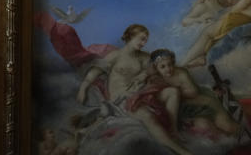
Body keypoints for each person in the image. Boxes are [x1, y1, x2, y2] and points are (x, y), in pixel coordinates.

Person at [76, 24, 192, 155]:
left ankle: (173, 130)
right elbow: (94, 73)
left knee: (173, 92)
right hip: (122, 100)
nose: (144, 43)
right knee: (147, 116)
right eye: (141, 39)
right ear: (130, 37)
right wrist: (83, 88)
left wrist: (146, 75)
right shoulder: (116, 56)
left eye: (145, 40)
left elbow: (158, 71)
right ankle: (180, 151)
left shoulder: (145, 57)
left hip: (142, 94)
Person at [148, 48, 239, 137]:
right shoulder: (155, 78)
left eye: (170, 64)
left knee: (225, 123)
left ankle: (237, 134)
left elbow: (193, 92)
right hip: (181, 110)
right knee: (205, 126)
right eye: (163, 66)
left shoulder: (181, 73)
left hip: (196, 101)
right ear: (156, 68)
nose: (168, 69)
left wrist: (179, 92)